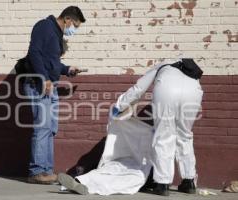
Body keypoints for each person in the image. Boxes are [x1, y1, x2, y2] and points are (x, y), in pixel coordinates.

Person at [58, 59, 203, 196]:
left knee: (163, 135)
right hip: (194, 90)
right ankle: (189, 182)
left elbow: (139, 89)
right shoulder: (190, 68)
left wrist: (120, 106)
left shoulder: (164, 64)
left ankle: (162, 184)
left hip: (168, 89)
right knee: (185, 135)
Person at [24, 6, 86, 184]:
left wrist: (68, 69)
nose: (73, 30)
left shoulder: (57, 35)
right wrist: (43, 78)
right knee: (42, 128)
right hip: (39, 84)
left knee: (51, 129)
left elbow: (51, 63)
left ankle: (46, 170)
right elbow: (34, 53)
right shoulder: (44, 26)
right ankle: (36, 172)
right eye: (74, 25)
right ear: (67, 19)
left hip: (50, 85)